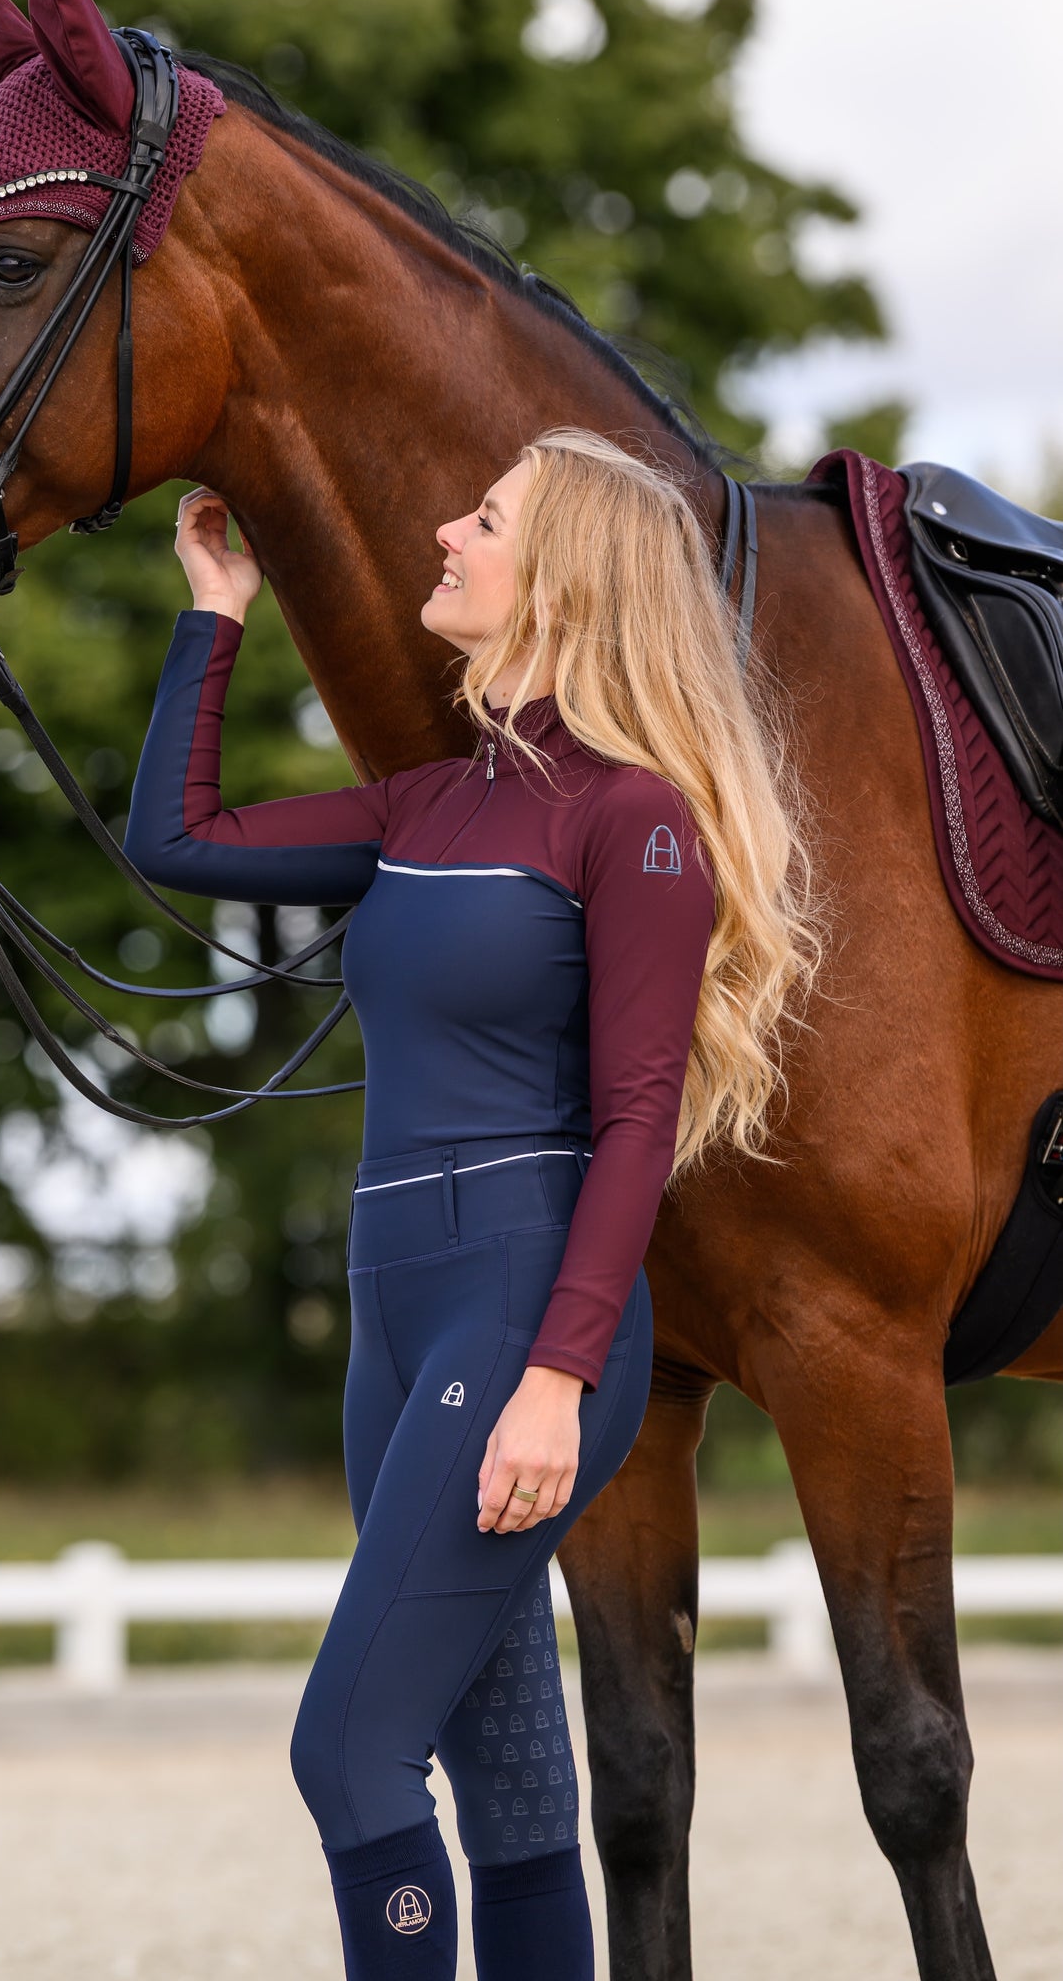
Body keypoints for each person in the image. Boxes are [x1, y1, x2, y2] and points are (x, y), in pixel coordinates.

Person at [123, 429, 820, 1980]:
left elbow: (640, 1118)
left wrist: (560, 1380)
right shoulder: (425, 806)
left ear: (561, 579)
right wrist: (212, 611)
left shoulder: (632, 820)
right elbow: (173, 841)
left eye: (485, 518)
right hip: (398, 1311)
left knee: (349, 1753)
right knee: (506, 1788)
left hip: (517, 1313)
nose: (445, 530)